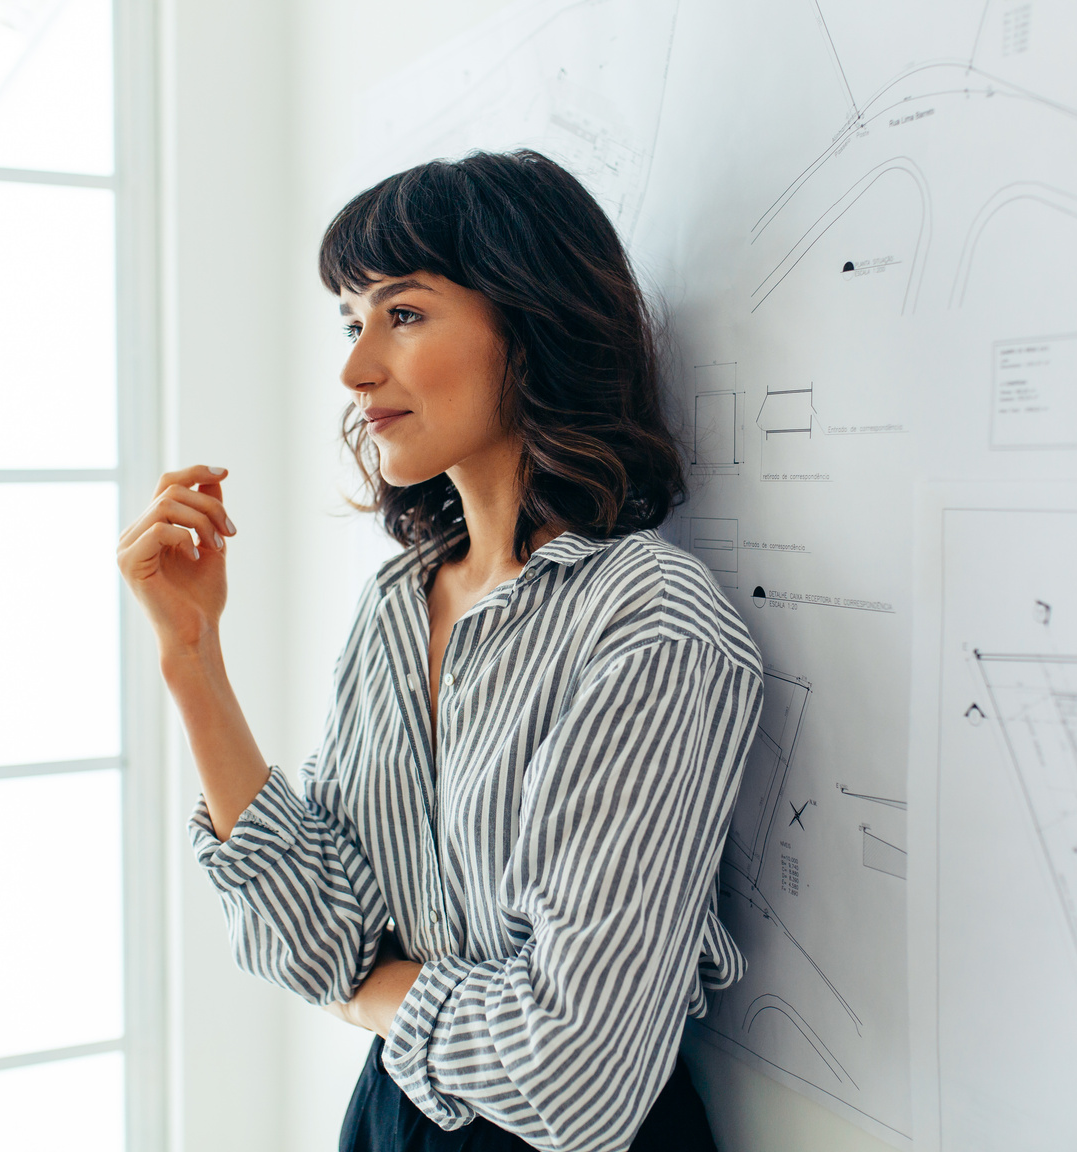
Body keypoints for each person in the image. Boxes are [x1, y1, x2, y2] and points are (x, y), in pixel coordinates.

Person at [117, 150, 764, 1152]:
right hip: (389, 1125)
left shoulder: (648, 622)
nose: (354, 367)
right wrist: (191, 657)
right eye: (351, 320)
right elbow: (316, 936)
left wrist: (376, 994)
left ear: (530, 323)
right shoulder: (396, 604)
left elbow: (574, 1080)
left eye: (403, 314)